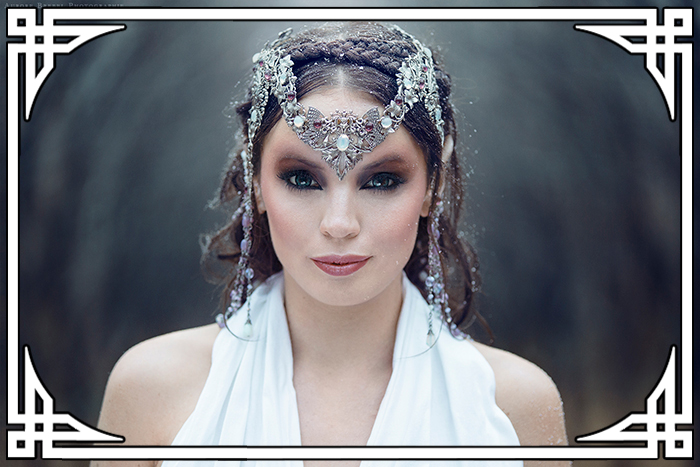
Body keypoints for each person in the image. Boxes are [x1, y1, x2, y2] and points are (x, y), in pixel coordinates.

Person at [94, 22, 568, 467]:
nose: (339, 224)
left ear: (432, 187)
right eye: (301, 177)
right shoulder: (152, 391)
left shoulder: (515, 409)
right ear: (257, 182)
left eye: (381, 181)